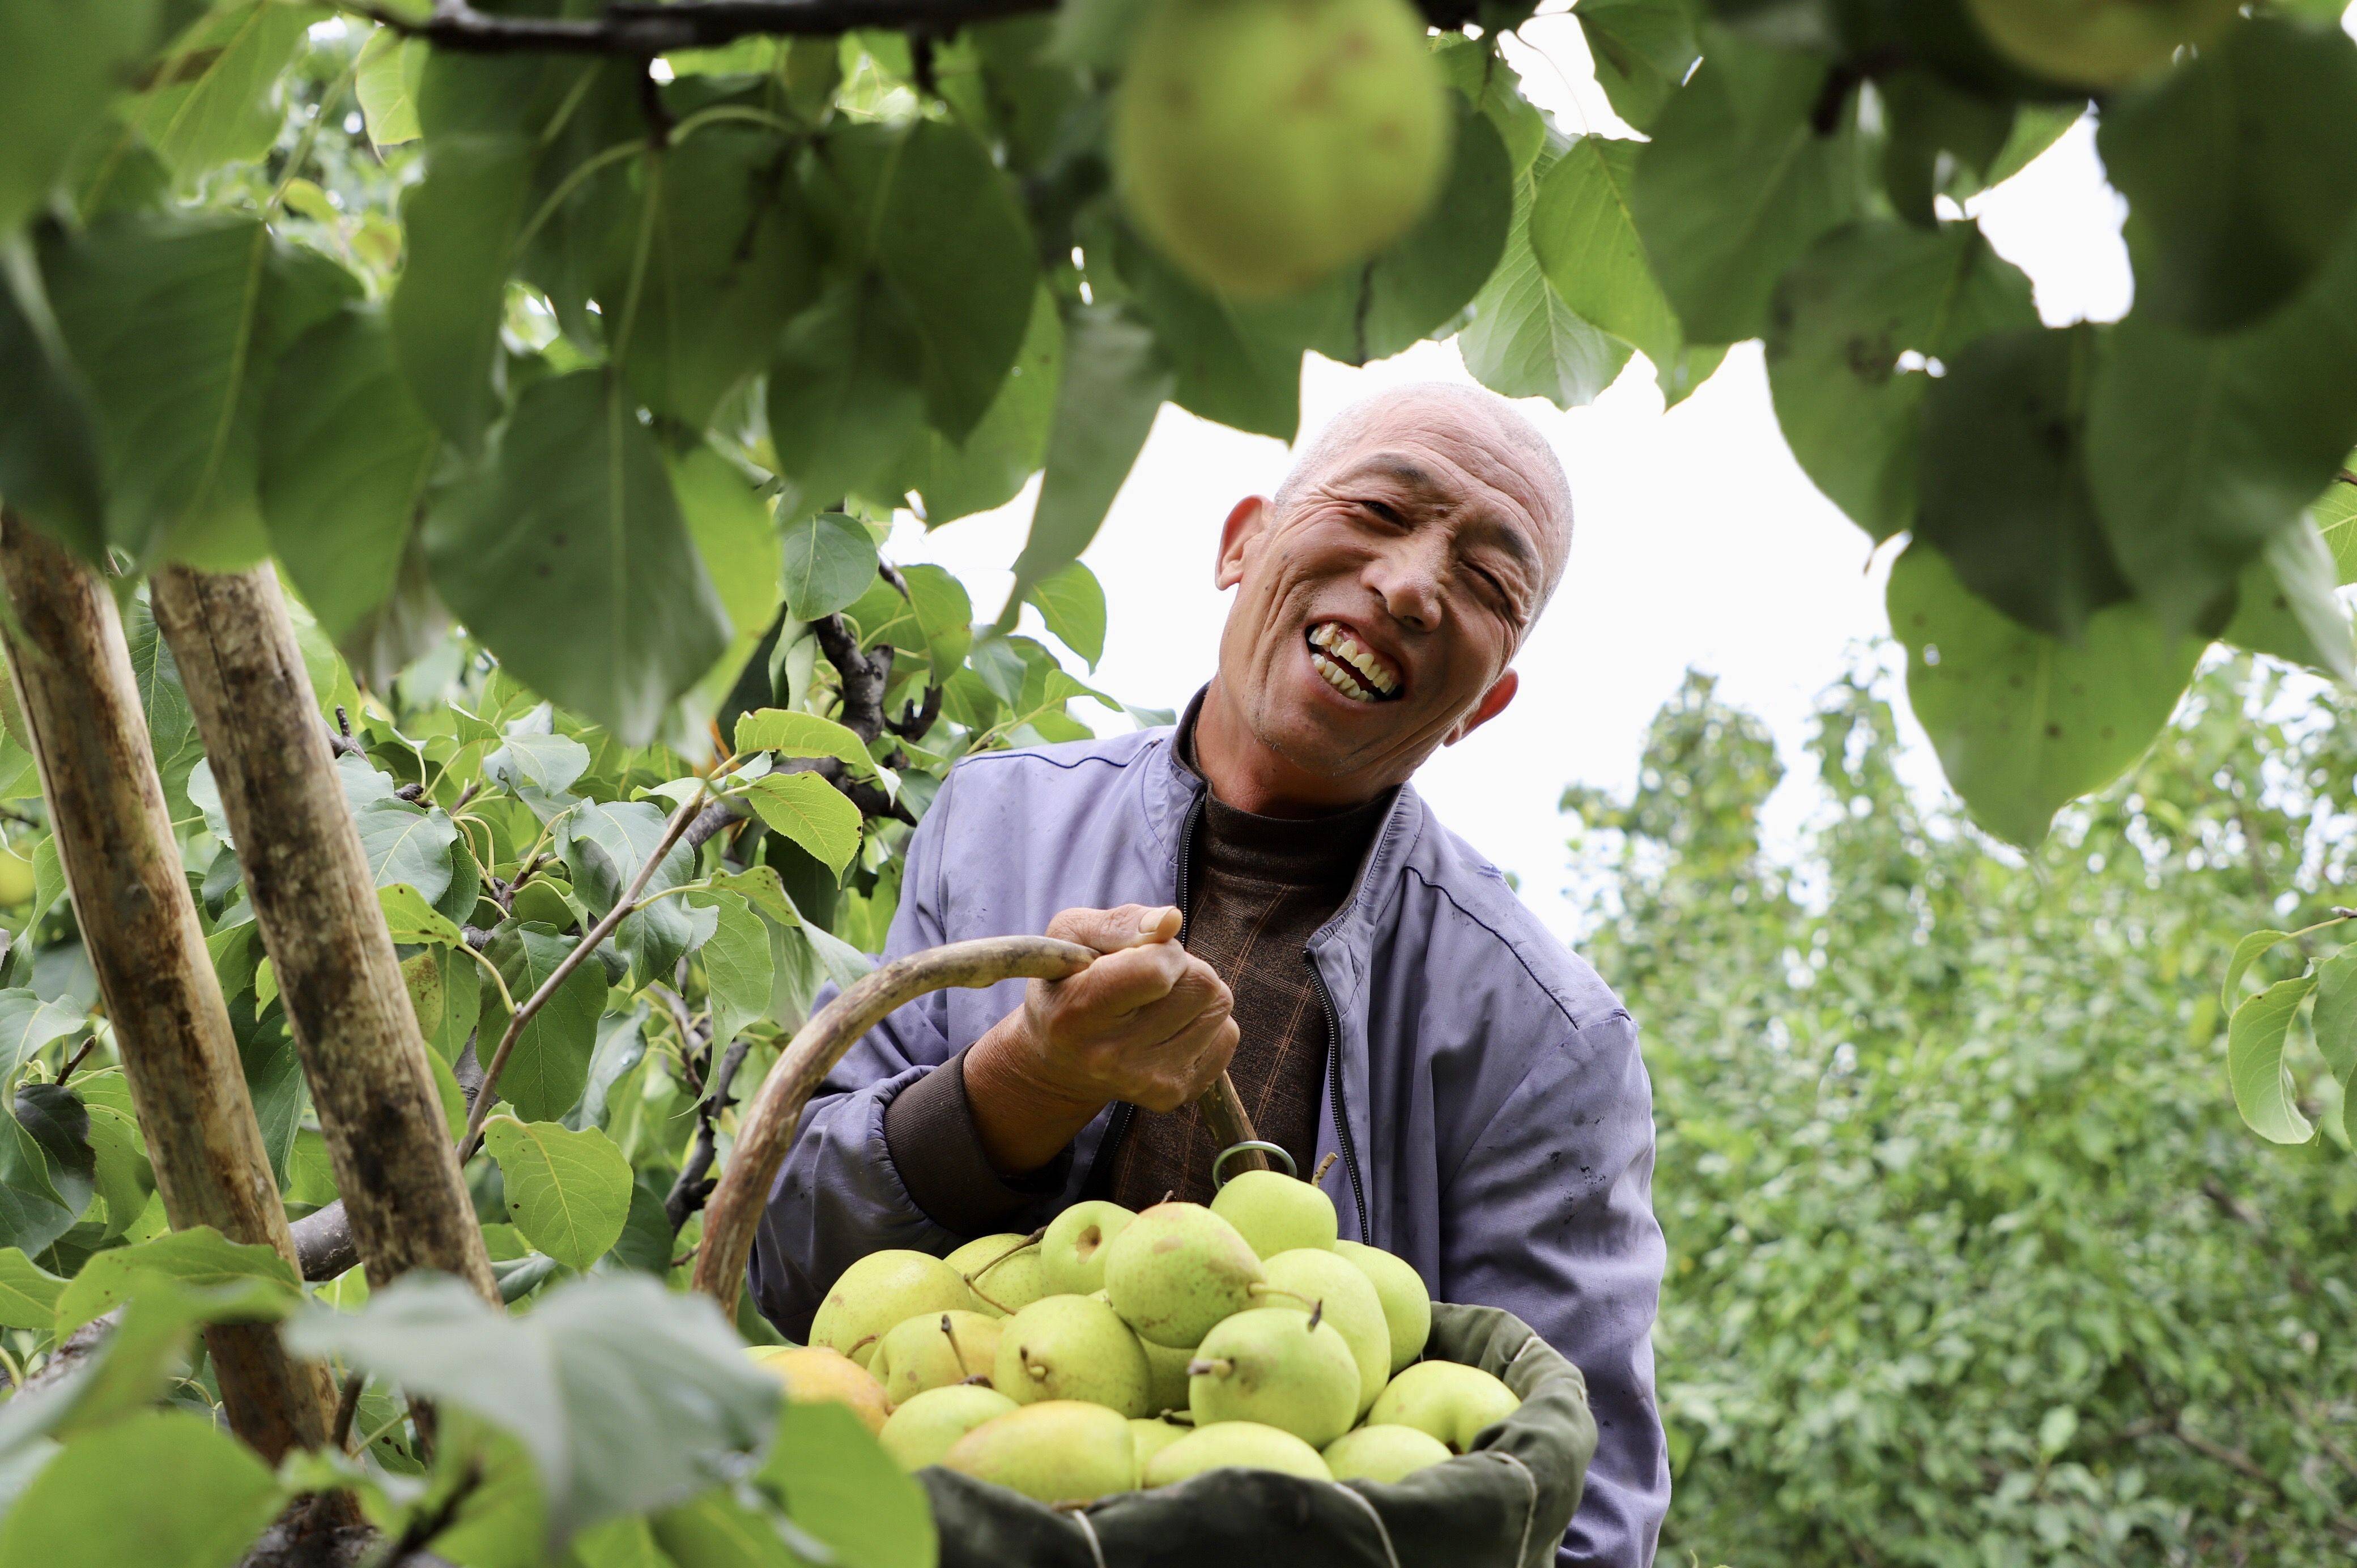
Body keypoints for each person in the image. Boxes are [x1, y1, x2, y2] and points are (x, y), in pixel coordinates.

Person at [751, 382, 1669, 1565]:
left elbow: (1579, 1517)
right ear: (1241, 543)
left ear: (1481, 708)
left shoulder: (1548, 1038)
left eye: (1489, 582)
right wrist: (1026, 1081)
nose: (1409, 583)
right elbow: (789, 1263)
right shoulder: (993, 825)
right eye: (1384, 505)